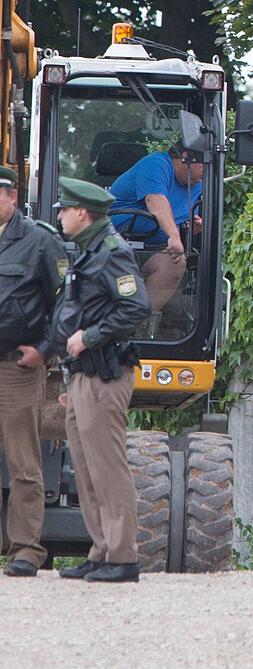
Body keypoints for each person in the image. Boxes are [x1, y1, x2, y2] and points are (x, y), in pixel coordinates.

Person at [51, 177, 150, 583]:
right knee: (86, 466)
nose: (58, 216)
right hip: (82, 375)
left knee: (107, 465)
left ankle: (123, 556)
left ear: (83, 212)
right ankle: (102, 550)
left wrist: (89, 336)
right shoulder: (89, 251)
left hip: (104, 373)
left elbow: (136, 307)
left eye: (63, 209)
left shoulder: (111, 252)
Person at [0, 166, 68, 577]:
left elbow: (65, 299)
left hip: (15, 367)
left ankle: (25, 550)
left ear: (12, 197)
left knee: (23, 462)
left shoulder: (40, 241)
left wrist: (45, 349)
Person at [108, 142, 203, 314]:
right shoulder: (156, 164)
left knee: (176, 263)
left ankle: (138, 326)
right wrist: (174, 236)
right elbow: (155, 200)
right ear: (186, 157)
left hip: (154, 250)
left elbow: (183, 218)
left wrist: (190, 226)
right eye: (204, 163)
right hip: (113, 248)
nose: (207, 170)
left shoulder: (198, 184)